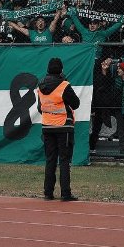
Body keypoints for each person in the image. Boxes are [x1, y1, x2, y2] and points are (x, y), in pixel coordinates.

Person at [38, 57, 81, 201]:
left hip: (47, 126)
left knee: (50, 160)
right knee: (64, 160)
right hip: (63, 126)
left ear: (48, 69)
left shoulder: (41, 85)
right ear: (61, 70)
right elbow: (76, 104)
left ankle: (48, 192)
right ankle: (65, 193)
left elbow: (40, 108)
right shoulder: (64, 85)